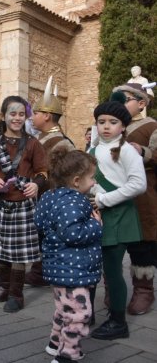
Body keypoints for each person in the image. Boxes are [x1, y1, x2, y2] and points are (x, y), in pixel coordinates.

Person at [0, 95, 48, 313]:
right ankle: (3, 289)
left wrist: (36, 185)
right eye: (12, 114)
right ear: (4, 116)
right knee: (1, 249)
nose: (17, 118)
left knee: (19, 253)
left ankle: (17, 295)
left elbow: (43, 172)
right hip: (0, 204)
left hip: (23, 205)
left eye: (21, 114)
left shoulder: (34, 144)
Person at [34, 147, 102, 363]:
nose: (93, 183)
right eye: (92, 178)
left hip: (59, 268)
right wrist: (95, 223)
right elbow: (73, 234)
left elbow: (40, 223)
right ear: (75, 180)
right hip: (73, 269)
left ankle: (55, 344)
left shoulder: (50, 196)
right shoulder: (73, 201)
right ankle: (67, 354)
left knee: (64, 309)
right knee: (78, 314)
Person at [88, 101, 146, 340]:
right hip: (95, 215)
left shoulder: (127, 151)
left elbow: (138, 185)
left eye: (113, 122)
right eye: (101, 122)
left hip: (119, 215)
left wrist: (104, 200)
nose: (106, 127)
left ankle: (118, 322)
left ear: (123, 126)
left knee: (112, 271)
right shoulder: (92, 149)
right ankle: (86, 312)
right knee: (91, 268)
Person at [110, 84, 156, 315]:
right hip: (113, 194)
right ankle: (113, 290)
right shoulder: (110, 125)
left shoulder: (151, 126)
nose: (120, 102)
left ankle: (144, 291)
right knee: (113, 245)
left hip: (141, 196)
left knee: (142, 246)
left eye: (126, 98)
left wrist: (144, 151)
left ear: (141, 103)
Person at [26, 76, 75, 287]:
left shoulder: (62, 143)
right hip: (38, 197)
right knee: (40, 236)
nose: (31, 118)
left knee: (51, 236)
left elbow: (66, 176)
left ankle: (49, 272)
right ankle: (40, 271)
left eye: (35, 114)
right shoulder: (39, 139)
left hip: (52, 199)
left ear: (46, 116)